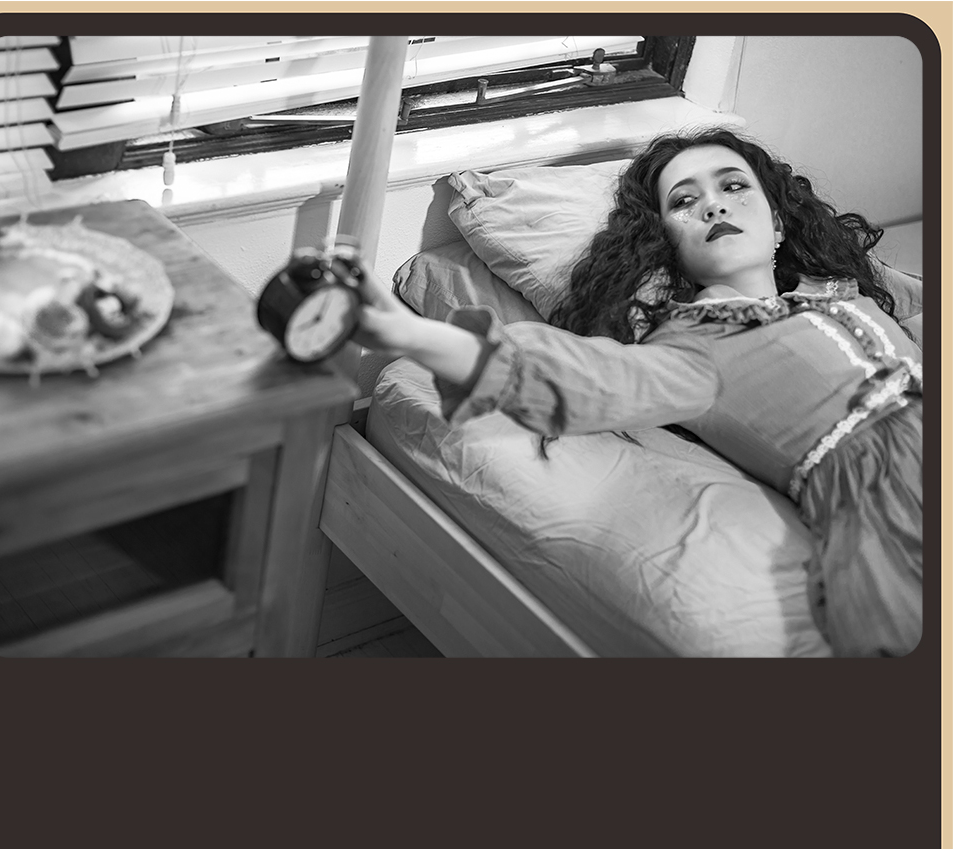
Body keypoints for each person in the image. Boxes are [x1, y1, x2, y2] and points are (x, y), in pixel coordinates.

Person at [349, 128, 923, 657]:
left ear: (777, 223)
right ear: (667, 244)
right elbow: (576, 378)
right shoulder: (696, 346)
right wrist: (407, 333)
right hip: (898, 489)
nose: (715, 206)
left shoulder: (843, 290)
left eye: (733, 186)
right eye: (684, 201)